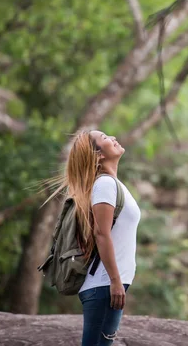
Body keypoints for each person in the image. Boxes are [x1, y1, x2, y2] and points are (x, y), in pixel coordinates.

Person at [47, 129, 141, 346]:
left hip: (107, 285)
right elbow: (101, 233)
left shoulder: (111, 185)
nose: (114, 138)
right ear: (98, 154)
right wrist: (115, 282)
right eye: (106, 138)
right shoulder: (105, 185)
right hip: (104, 286)